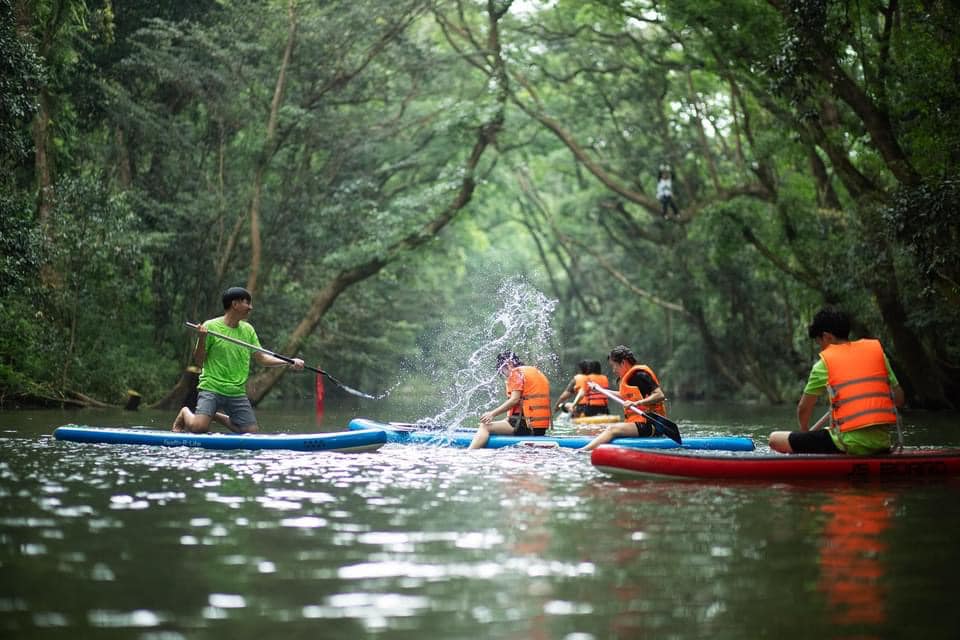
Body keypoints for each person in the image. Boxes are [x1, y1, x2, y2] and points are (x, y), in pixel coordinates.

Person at [769, 307, 905, 455]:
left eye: (819, 342)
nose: (820, 347)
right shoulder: (878, 355)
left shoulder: (824, 364)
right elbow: (899, 399)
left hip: (847, 445)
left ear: (827, 337)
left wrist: (805, 434)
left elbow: (803, 409)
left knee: (774, 439)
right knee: (829, 431)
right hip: (882, 443)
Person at [172, 286, 304, 434]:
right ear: (235, 304)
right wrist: (202, 338)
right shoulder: (210, 326)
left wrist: (289, 362)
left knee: (250, 433)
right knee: (199, 428)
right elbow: (199, 361)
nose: (250, 307)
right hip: (212, 387)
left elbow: (262, 358)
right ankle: (185, 413)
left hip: (236, 391)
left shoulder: (248, 330)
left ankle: (213, 416)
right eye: (247, 303)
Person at [581, 345, 666, 451]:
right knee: (609, 429)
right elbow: (623, 395)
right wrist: (600, 389)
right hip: (639, 424)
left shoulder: (640, 375)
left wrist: (637, 403)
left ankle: (582, 451)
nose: (613, 370)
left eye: (614, 366)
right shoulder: (629, 378)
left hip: (652, 424)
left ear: (623, 363)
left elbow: (659, 395)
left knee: (612, 429)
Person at [469, 351, 552, 449]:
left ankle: (469, 453)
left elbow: (514, 400)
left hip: (525, 427)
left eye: (503, 371)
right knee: (496, 424)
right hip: (539, 428)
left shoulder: (515, 373)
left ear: (508, 364)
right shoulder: (533, 371)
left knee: (484, 426)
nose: (505, 375)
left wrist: (492, 414)